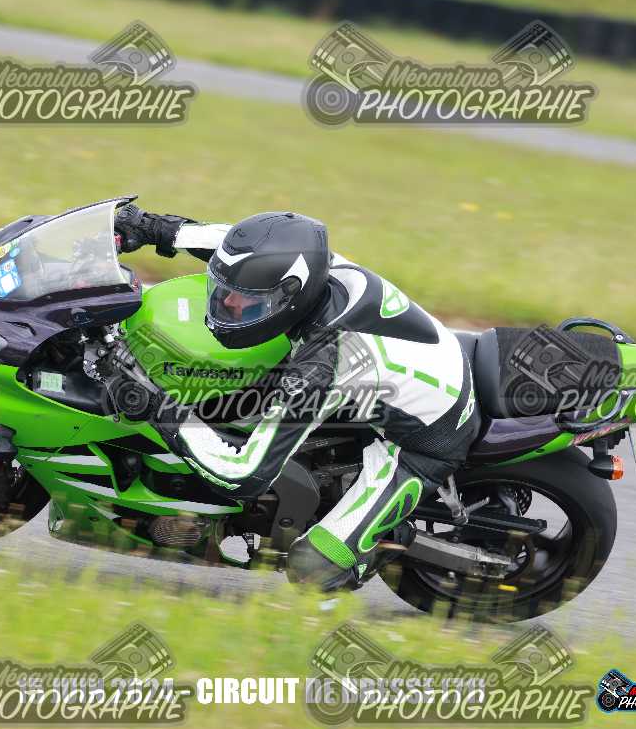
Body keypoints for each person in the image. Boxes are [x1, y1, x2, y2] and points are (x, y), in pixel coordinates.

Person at [107, 201, 480, 590]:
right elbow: (226, 244)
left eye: (247, 300)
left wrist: (155, 407)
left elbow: (243, 475)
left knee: (311, 569)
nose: (227, 304)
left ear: (290, 295)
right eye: (223, 290)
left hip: (426, 441)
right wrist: (148, 226)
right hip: (415, 368)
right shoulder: (310, 264)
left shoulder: (324, 362)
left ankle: (383, 540)